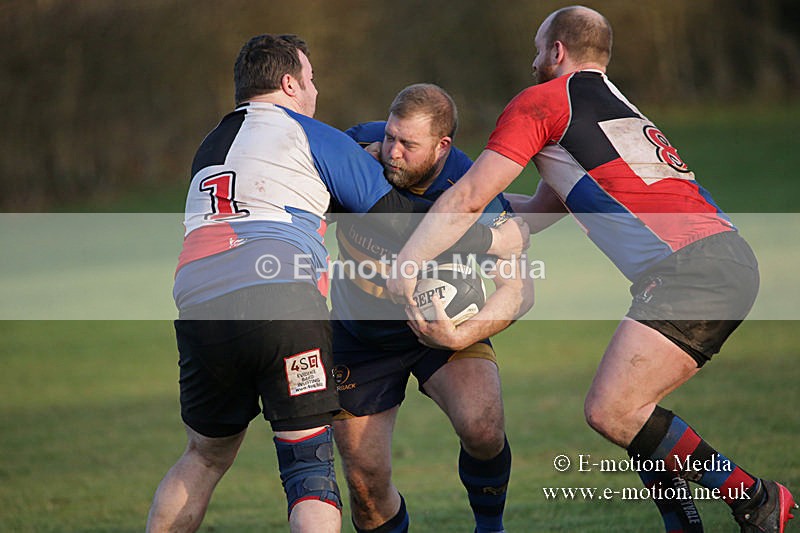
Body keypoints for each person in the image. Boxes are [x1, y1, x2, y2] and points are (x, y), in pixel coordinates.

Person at [387, 7, 797, 533]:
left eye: (538, 50)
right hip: (721, 260)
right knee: (636, 412)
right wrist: (434, 211)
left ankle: (756, 497)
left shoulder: (542, 102)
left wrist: (409, 260)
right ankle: (684, 524)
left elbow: (470, 195)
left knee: (612, 410)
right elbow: (537, 210)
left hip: (692, 269)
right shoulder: (614, 110)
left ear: (556, 51)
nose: (533, 61)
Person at [146, 35, 525, 533]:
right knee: (319, 472)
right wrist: (490, 239)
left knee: (203, 455)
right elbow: (397, 219)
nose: (315, 90)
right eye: (310, 79)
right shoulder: (314, 136)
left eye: (407, 144)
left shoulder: (209, 145)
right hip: (294, 305)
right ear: (288, 83)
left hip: (198, 301)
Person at [330, 83, 534, 533]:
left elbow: (520, 290)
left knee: (483, 427)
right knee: (365, 486)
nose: (393, 152)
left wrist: (459, 336)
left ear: (442, 146)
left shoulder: (471, 185)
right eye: (390, 137)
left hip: (443, 332)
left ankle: (490, 528)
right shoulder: (358, 145)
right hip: (358, 336)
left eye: (408, 144)